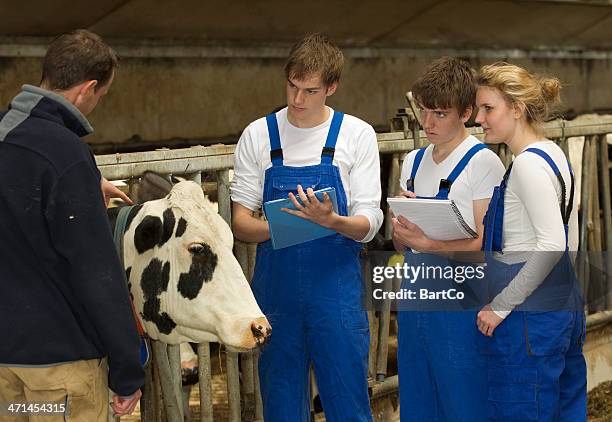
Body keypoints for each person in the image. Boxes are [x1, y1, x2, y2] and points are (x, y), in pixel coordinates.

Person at [231, 33, 383, 421]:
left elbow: (369, 222)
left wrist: (330, 221)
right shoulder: (259, 135)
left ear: (331, 87)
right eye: (292, 87)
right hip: (275, 293)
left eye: (310, 91)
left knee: (347, 399)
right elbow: (241, 224)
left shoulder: (356, 134)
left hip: (335, 291)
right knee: (281, 402)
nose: (298, 100)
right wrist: (289, 224)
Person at [0, 30, 144, 420]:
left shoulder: (10, 135)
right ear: (88, 89)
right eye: (102, 95)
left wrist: (83, 181)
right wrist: (128, 369)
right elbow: (95, 271)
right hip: (59, 371)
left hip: (6, 373)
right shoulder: (66, 155)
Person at [392, 57, 505, 421]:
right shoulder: (411, 161)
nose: (428, 123)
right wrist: (400, 233)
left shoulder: (483, 163)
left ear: (467, 113)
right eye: (424, 111)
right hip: (416, 299)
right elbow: (401, 246)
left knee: (464, 403)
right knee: (417, 400)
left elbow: (486, 245)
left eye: (440, 113)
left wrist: (430, 245)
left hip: (462, 304)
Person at [475, 62, 586, 421]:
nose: (479, 118)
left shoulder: (526, 166)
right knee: (563, 410)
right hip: (562, 300)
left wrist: (501, 305)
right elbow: (569, 234)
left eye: (488, 108)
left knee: (523, 409)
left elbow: (552, 243)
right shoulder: (553, 153)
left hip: (528, 314)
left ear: (517, 109)